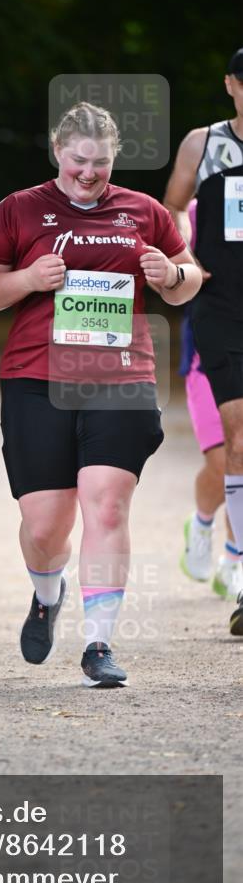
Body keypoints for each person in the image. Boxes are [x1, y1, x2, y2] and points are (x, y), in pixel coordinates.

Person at [0, 101, 200, 687]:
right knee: (45, 527)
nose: (89, 173)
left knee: (107, 502)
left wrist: (170, 276)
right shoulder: (20, 209)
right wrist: (26, 280)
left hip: (122, 376)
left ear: (114, 159)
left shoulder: (143, 212)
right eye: (78, 160)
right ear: (57, 152)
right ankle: (47, 593)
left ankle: (99, 644)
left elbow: (187, 277)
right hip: (36, 378)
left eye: (101, 163)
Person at [163, 48, 243, 636]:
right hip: (220, 308)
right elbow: (170, 212)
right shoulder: (203, 143)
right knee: (233, 442)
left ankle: (235, 559)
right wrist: (186, 255)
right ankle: (230, 556)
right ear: (231, 85)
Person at [179, 202, 242, 600]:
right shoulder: (206, 206)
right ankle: (202, 524)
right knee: (223, 460)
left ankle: (233, 562)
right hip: (212, 353)